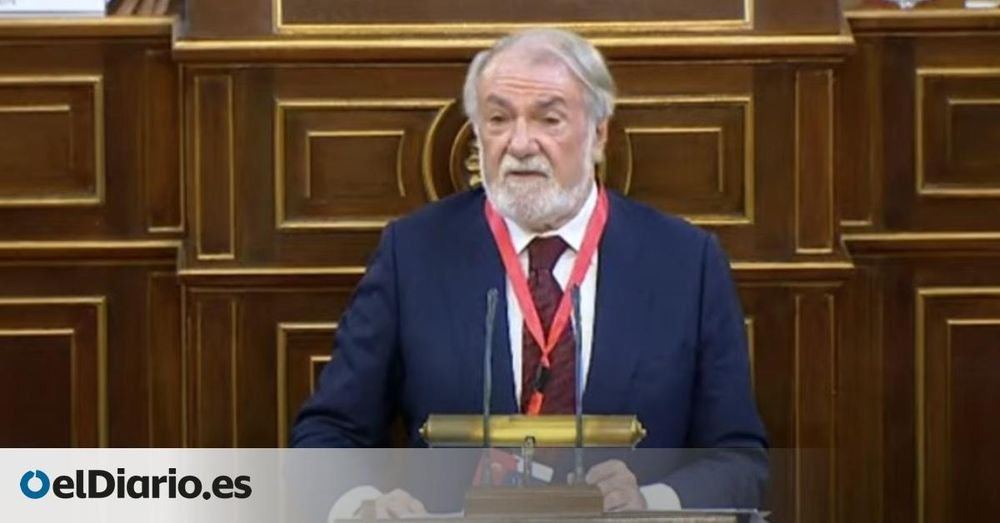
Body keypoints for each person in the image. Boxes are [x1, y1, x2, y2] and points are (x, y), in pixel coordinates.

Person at [291, 27, 768, 518]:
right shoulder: (412, 253)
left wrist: (650, 504)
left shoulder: (685, 262)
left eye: (549, 119)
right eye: (499, 119)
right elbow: (328, 431)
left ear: (598, 134)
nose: (520, 144)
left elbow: (738, 459)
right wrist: (363, 507)